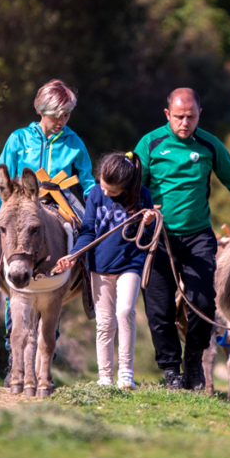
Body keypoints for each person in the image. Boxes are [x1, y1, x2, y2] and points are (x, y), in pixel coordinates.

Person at [134, 88, 230, 391]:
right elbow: (132, 186)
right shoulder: (150, 144)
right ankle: (170, 371)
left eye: (191, 116)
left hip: (198, 238)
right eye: (178, 117)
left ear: (199, 115)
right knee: (159, 309)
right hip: (158, 238)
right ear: (167, 115)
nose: (185, 122)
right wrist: (142, 207)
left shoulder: (209, 145)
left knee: (203, 302)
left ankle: (193, 361)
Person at [0, 80, 96, 378]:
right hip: (19, 206)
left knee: (90, 243)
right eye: (57, 114)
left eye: (67, 114)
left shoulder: (74, 142)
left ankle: (89, 291)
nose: (62, 121)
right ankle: (12, 352)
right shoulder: (18, 139)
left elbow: (89, 182)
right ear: (41, 110)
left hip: (62, 203)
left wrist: (103, 206)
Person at [54, 153, 155, 390]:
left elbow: (149, 239)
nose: (106, 193)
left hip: (130, 263)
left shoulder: (143, 196)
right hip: (99, 265)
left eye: (112, 190)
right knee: (105, 322)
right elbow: (88, 231)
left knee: (125, 311)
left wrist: (147, 224)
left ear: (127, 187)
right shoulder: (96, 194)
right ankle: (105, 378)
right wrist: (74, 254)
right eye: (103, 186)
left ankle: (126, 374)